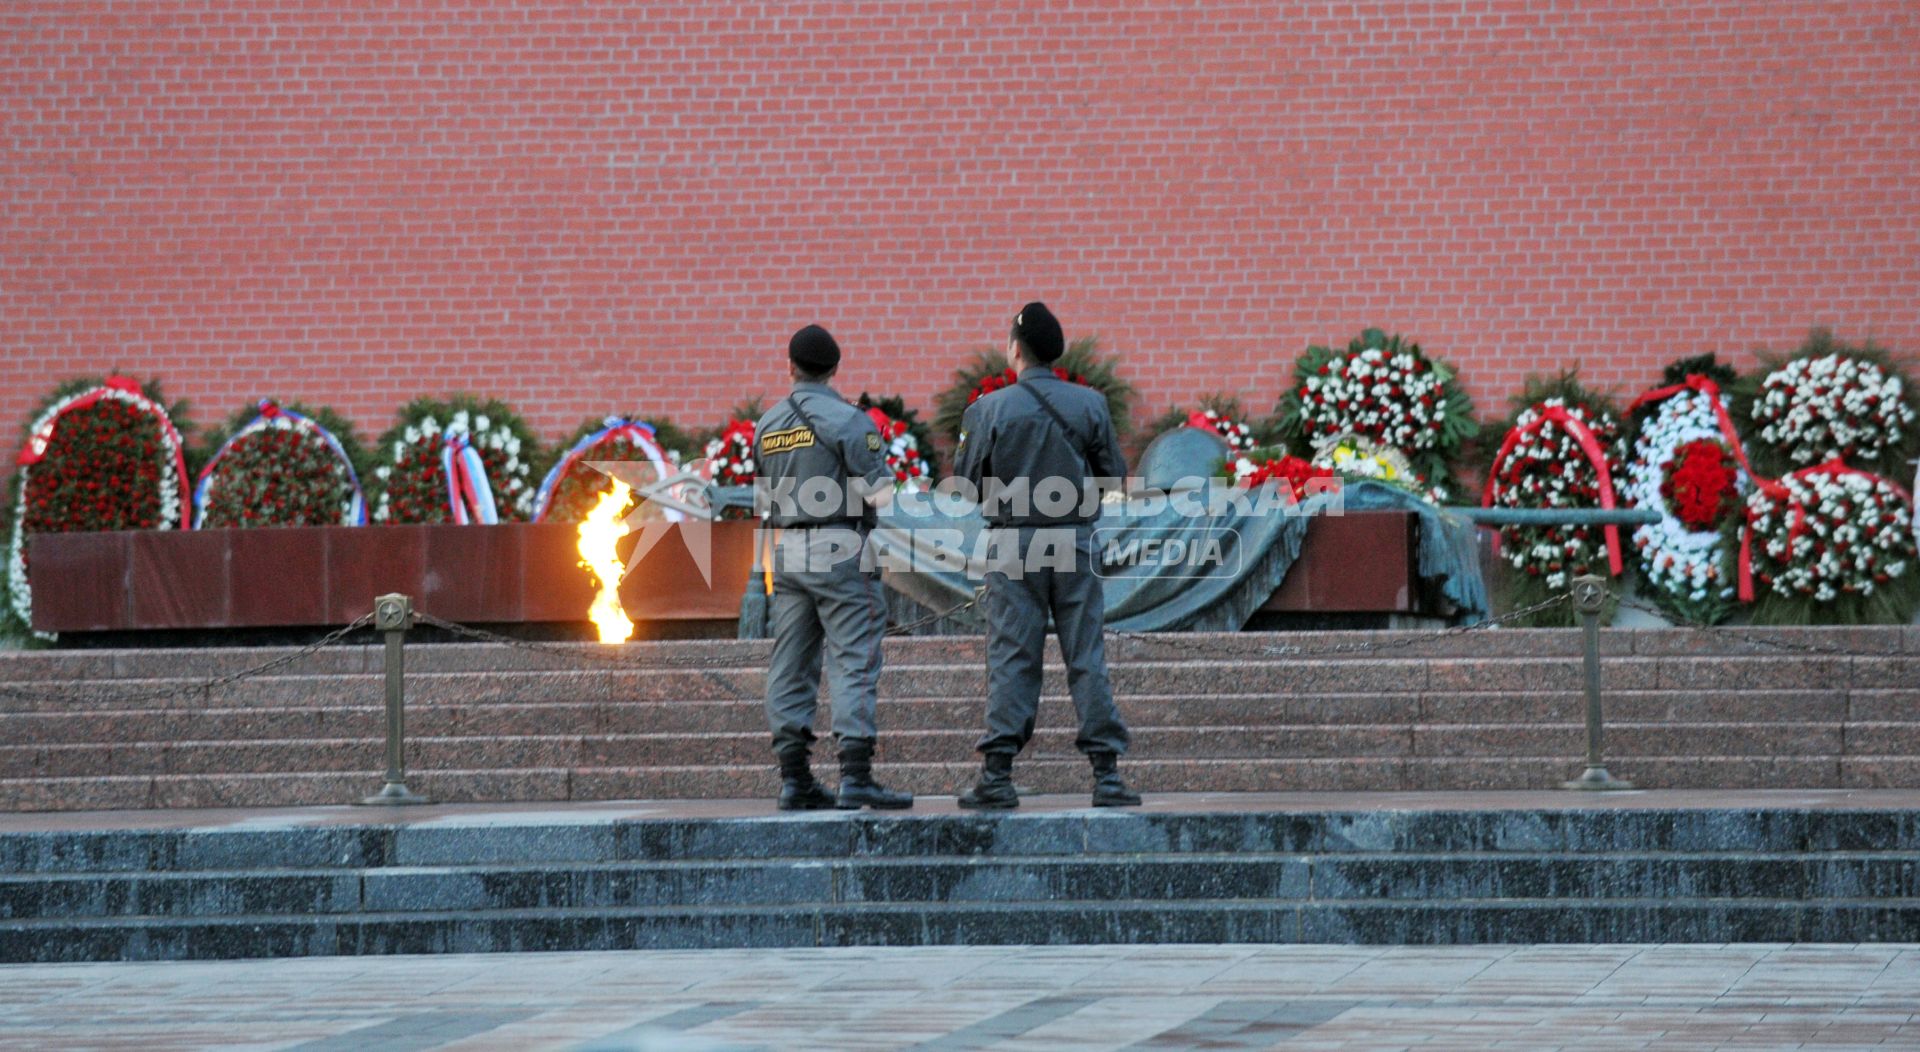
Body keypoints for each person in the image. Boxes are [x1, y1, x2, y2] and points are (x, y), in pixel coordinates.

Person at [951, 302, 1141, 809]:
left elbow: (966, 484)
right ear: (1056, 352)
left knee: (1012, 657)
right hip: (1075, 540)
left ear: (1015, 350)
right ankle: (1107, 776)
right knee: (1086, 655)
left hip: (1014, 544)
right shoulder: (1090, 404)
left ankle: (997, 774)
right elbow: (1112, 475)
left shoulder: (988, 409)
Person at [752, 324, 912, 811]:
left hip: (789, 551)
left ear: (790, 366)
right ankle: (856, 776)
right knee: (854, 659)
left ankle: (794, 778)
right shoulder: (848, 420)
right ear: (835, 368)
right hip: (841, 547)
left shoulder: (767, 425)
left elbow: (765, 496)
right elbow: (881, 493)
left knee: (791, 663)